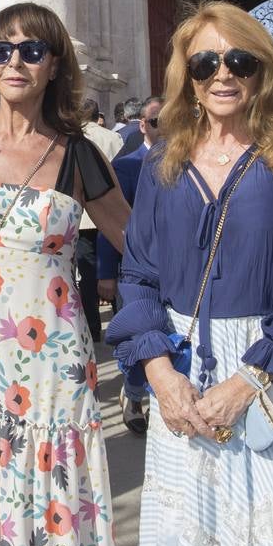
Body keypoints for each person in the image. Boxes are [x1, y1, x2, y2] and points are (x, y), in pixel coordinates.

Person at [107, 1, 273, 546]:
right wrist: (160, 374)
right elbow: (139, 273)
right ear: (187, 78)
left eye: (238, 60)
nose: (222, 74)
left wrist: (247, 382)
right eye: (204, 64)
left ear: (261, 68)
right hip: (184, 374)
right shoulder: (162, 161)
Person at [0, 2, 130, 546]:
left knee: (50, 502)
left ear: (55, 65)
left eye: (31, 50)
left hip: (56, 368)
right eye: (0, 50)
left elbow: (140, 247)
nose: (14, 61)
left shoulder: (79, 154)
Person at [98, 95, 164, 437]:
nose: (162, 128)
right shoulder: (125, 167)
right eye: (155, 122)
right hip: (133, 272)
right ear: (142, 125)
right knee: (137, 337)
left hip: (175, 273)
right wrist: (105, 272)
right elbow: (108, 221)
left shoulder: (190, 164)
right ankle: (134, 393)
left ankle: (155, 397)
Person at [79, 97, 125, 343]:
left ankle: (92, 327)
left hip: (83, 220)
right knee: (114, 272)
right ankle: (120, 324)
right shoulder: (112, 137)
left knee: (86, 276)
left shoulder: (72, 139)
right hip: (108, 213)